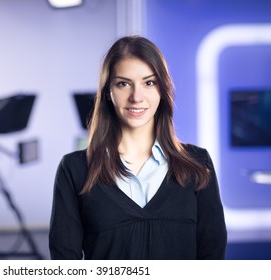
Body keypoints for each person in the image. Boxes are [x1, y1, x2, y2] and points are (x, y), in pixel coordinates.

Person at [49, 35, 227, 260]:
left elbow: (212, 256)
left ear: (162, 90)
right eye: (123, 84)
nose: (136, 97)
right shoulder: (75, 169)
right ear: (108, 92)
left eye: (149, 82)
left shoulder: (198, 163)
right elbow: (65, 261)